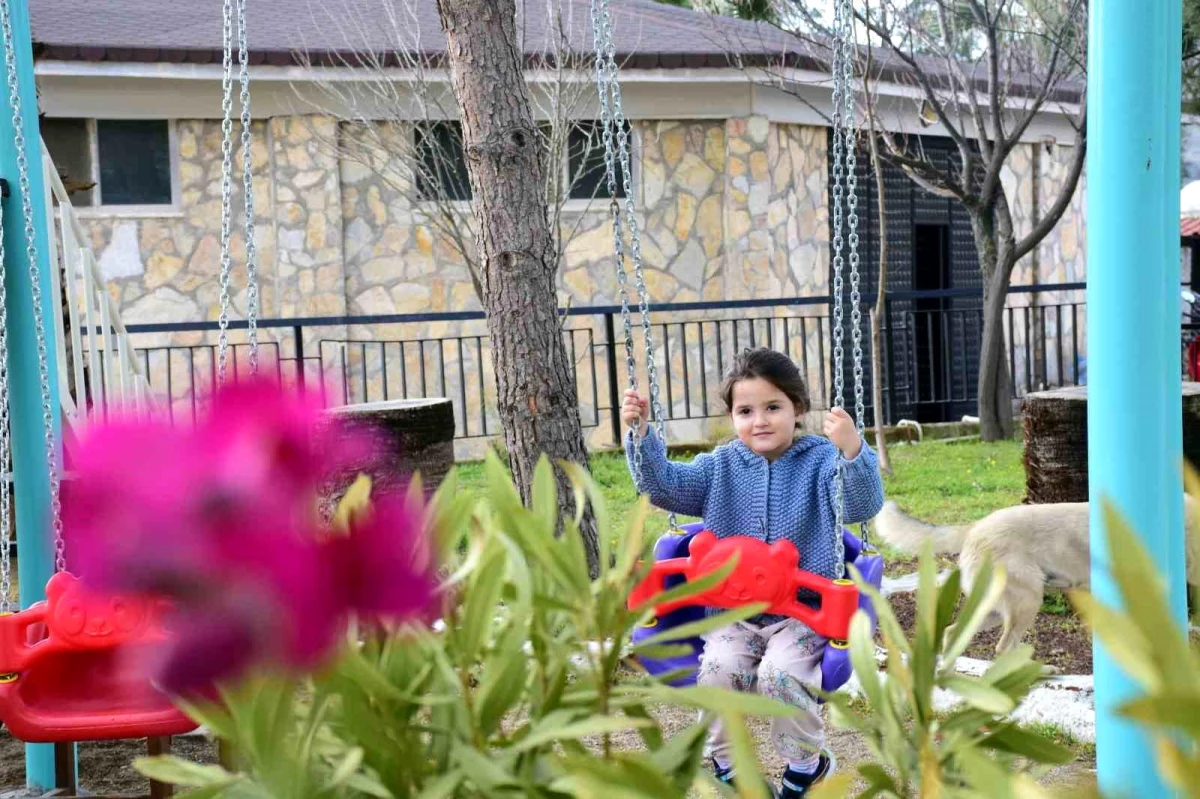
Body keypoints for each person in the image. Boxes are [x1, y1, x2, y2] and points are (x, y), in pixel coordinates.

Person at [622, 347, 885, 797]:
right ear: (732, 415)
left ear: (798, 409)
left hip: (803, 616)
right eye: (746, 410)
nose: (759, 420)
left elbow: (862, 505)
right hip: (733, 615)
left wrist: (852, 449)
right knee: (719, 671)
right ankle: (726, 763)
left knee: (779, 675)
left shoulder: (821, 462)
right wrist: (640, 433)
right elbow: (661, 485)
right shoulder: (718, 467)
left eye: (772, 407)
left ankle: (806, 764)